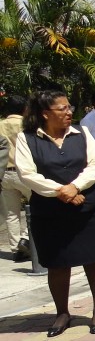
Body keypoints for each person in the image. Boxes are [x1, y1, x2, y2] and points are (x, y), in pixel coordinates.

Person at [16, 90, 95, 336]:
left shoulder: (83, 133)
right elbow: (27, 174)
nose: (69, 112)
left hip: (88, 208)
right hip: (49, 211)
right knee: (57, 264)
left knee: (94, 259)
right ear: (45, 114)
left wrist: (75, 187)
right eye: (63, 109)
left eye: (69, 107)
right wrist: (62, 191)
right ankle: (62, 312)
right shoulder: (27, 139)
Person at [1, 95, 30, 261]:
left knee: (11, 214)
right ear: (24, 108)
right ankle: (25, 239)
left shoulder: (0, 125)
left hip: (4, 172)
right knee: (38, 206)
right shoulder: (26, 124)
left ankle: (15, 249)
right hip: (23, 172)